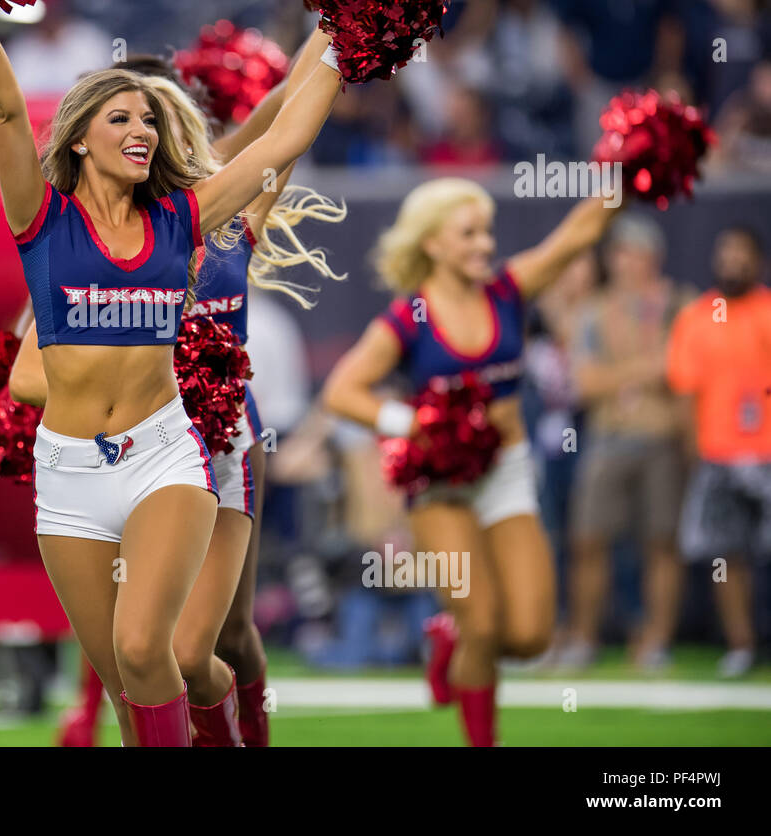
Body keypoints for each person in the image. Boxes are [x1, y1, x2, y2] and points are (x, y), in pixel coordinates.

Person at [0, 0, 345, 746]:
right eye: (122, 116)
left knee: (158, 648)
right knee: (125, 687)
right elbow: (6, 109)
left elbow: (279, 139)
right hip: (69, 471)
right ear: (78, 138)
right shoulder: (42, 224)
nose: (143, 127)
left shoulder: (184, 217)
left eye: (151, 118)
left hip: (170, 454)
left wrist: (345, 38)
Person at [321, 177, 626, 745]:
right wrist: (413, 424)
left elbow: (578, 234)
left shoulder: (508, 289)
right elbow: (341, 391)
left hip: (506, 473)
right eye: (469, 234)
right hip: (439, 484)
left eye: (487, 232)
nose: (485, 244)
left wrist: (628, 175)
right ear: (432, 243)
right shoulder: (408, 316)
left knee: (532, 636)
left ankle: (448, 637)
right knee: (484, 623)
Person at [562, 214, 692, 670]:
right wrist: (643, 369)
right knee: (588, 539)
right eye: (619, 253)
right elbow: (584, 382)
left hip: (662, 439)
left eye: (636, 253)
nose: (627, 263)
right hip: (607, 438)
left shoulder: (680, 304)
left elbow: (682, 371)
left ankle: (655, 641)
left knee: (661, 542)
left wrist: (625, 376)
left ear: (653, 258)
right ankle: (583, 638)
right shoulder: (593, 310)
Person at [667, 225, 771, 677]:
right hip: (717, 452)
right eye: (725, 253)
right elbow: (685, 391)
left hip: (767, 454)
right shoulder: (696, 316)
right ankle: (742, 644)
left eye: (741, 254)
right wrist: (692, 453)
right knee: (725, 557)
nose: (733, 262)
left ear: (758, 260)